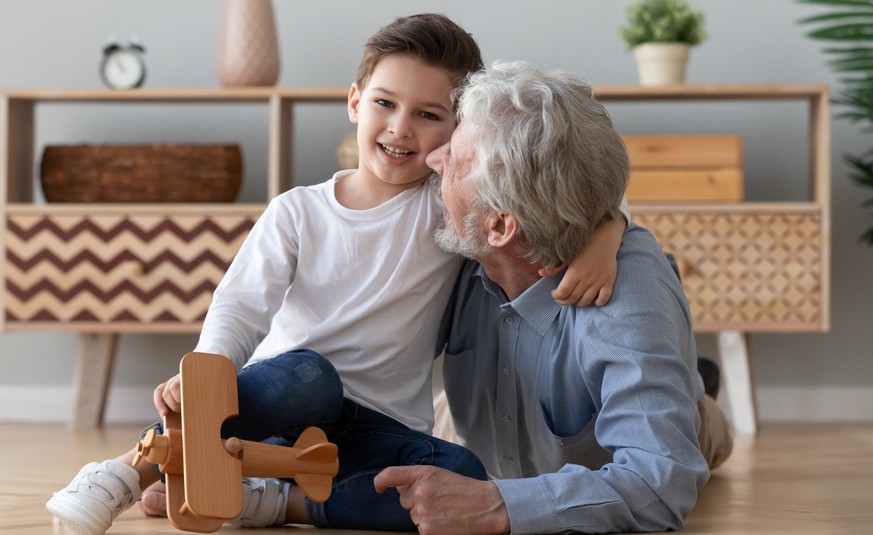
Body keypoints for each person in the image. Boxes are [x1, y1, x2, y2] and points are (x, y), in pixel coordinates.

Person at [46, 16, 624, 535]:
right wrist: (210, 374)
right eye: (385, 104)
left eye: (428, 115)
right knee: (310, 376)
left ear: (457, 132)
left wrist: (608, 231)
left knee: (460, 473)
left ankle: (275, 503)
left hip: (371, 433)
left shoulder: (448, 207)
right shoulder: (298, 210)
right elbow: (240, 304)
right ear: (354, 102)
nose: (400, 128)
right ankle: (129, 467)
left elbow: (551, 202)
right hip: (278, 406)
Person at [374, 61, 734, 534]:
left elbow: (660, 485)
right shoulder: (455, 239)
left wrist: (496, 506)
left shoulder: (623, 302)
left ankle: (695, 395)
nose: (435, 159)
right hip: (469, 423)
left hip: (658, 417)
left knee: (698, 427)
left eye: (457, 165)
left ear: (501, 226)